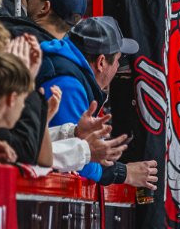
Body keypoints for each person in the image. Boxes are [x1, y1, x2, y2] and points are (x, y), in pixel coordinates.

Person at [37, 15, 158, 189]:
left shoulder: (68, 70)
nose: (118, 67)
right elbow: (77, 161)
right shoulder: (68, 85)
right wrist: (124, 173)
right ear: (101, 62)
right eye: (118, 60)